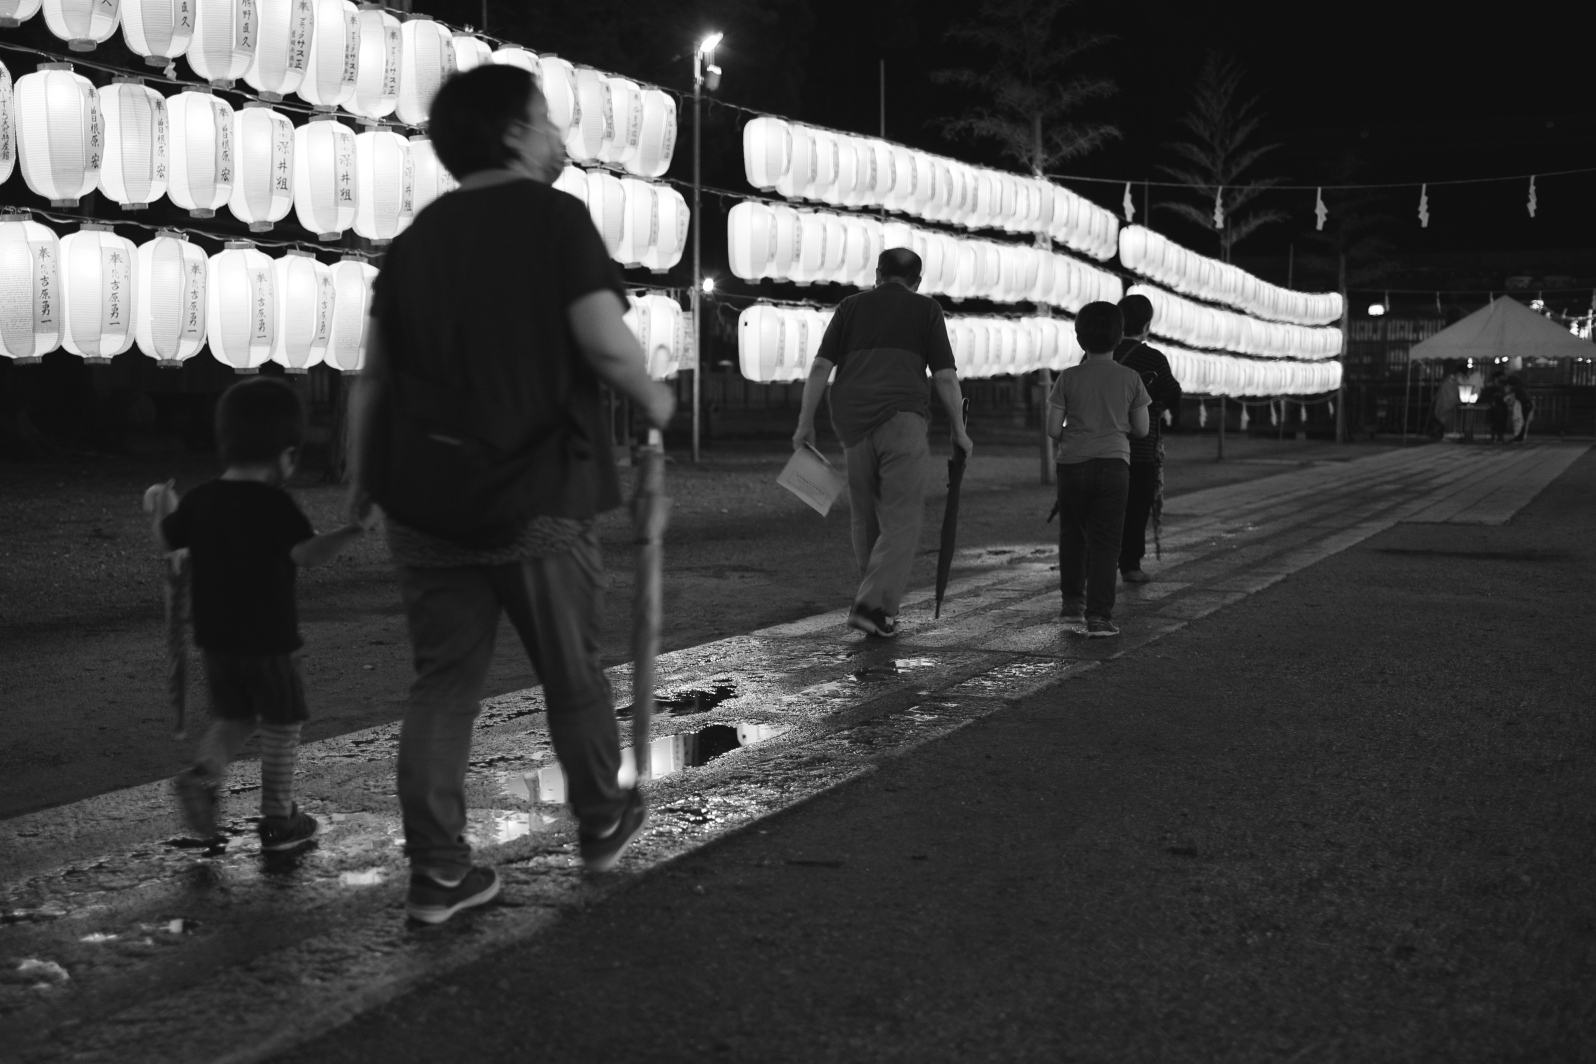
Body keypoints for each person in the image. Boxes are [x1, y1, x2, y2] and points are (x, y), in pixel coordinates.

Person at [345, 65, 675, 925]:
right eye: (547, 119)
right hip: (538, 492)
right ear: (514, 133)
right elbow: (604, 343)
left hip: (423, 499)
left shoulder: (416, 240)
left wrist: (360, 480)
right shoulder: (554, 219)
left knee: (442, 686)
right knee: (570, 673)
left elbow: (373, 378)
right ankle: (599, 820)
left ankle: (438, 873)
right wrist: (655, 397)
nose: (559, 136)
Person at [150, 378, 366, 851]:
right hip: (270, 643)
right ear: (286, 454)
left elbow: (167, 540)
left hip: (217, 642)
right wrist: (354, 529)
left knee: (236, 718)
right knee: (282, 723)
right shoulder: (274, 504)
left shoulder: (201, 498)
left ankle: (203, 774)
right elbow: (307, 554)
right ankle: (278, 817)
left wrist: (163, 507)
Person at [791, 247, 973, 638]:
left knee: (865, 515)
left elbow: (821, 366)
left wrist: (805, 423)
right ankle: (872, 605)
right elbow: (944, 375)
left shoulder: (850, 307)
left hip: (852, 421)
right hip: (902, 418)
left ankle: (876, 606)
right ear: (917, 281)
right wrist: (959, 430)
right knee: (902, 517)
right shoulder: (926, 309)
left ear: (877, 274)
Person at [1047, 302, 1150, 638]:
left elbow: (1053, 428)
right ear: (1119, 338)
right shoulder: (1131, 378)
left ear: (1079, 339)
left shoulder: (1068, 377)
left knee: (1072, 536)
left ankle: (1071, 605)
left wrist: (1075, 435)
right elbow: (1142, 429)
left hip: (1072, 466)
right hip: (1114, 466)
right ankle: (1099, 617)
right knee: (1106, 542)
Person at [1113, 294, 1182, 584]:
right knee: (1136, 507)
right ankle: (1130, 565)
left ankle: (1096, 563)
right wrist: (1158, 408)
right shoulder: (1154, 358)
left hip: (1103, 446)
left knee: (1104, 509)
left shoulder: (1102, 354)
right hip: (1140, 448)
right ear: (1146, 326)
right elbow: (1173, 392)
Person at [1428, 362, 1464, 440]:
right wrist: (1458, 400)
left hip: (1444, 404)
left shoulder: (1451, 380)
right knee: (1443, 420)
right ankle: (1442, 434)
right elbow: (1451, 396)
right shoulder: (1451, 381)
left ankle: (1442, 434)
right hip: (1446, 404)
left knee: (1442, 420)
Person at [1480, 370, 1509, 443]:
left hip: (1501, 406)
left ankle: (1499, 437)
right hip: (1495, 406)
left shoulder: (1502, 385)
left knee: (1500, 422)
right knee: (1496, 422)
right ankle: (1495, 437)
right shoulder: (1492, 386)